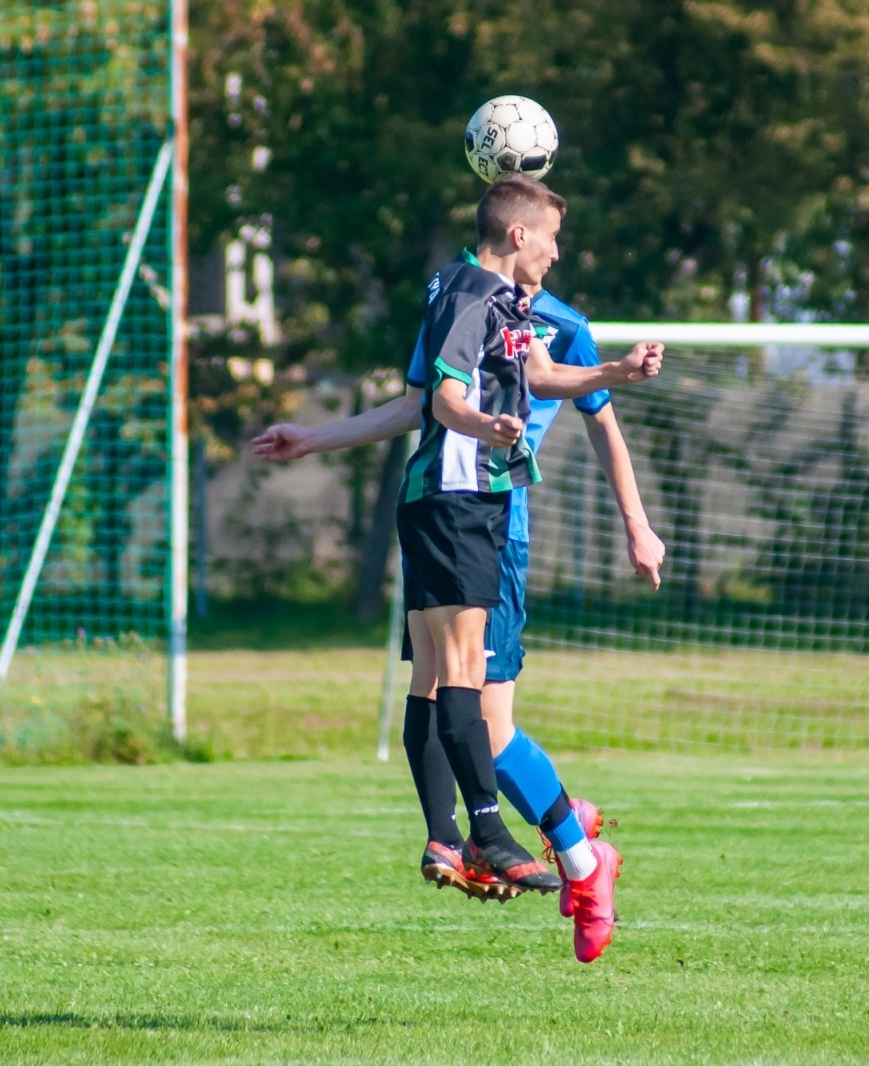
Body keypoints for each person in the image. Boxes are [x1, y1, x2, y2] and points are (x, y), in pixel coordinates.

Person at [254, 175, 664, 961]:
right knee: (466, 698)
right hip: (468, 505)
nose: (558, 251)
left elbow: (554, 389)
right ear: (518, 232)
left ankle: (502, 843)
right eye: (552, 237)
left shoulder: (524, 310)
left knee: (459, 696)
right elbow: (432, 400)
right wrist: (481, 421)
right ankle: (529, 844)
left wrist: (615, 379)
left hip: (480, 509)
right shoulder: (466, 290)